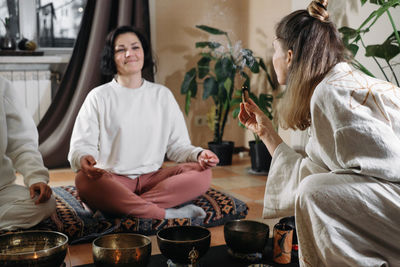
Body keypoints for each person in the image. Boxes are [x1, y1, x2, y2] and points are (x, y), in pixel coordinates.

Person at [239, 0, 400, 266]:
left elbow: (389, 166)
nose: (273, 57)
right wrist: (266, 132)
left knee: (313, 191)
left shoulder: (331, 91)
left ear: (289, 55)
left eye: (274, 49)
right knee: (316, 187)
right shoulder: (333, 83)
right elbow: (323, 171)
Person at [68, 25, 219, 220]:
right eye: (121, 49)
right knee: (83, 180)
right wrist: (82, 157)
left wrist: (199, 154)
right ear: (111, 57)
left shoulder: (162, 95)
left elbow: (178, 147)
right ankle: (165, 214)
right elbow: (80, 145)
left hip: (154, 179)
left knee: (202, 173)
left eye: (135, 47)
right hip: (113, 180)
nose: (129, 53)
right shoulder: (98, 96)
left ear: (143, 53)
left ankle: (118, 207)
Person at [0, 76, 56, 230]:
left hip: (2, 189)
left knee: (44, 204)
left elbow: (22, 144)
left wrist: (35, 177)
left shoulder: (2, 87)